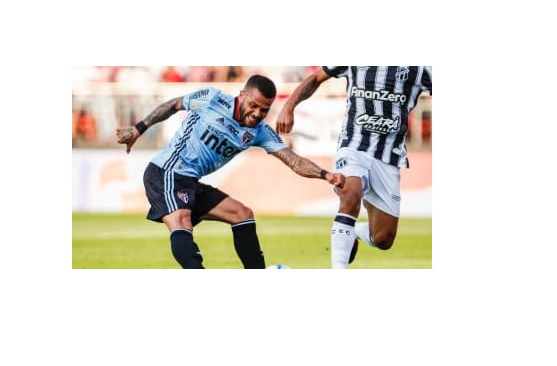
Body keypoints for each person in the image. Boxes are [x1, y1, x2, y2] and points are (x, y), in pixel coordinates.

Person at [116, 74, 345, 269]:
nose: (257, 113)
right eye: (253, 105)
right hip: (167, 170)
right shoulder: (212, 99)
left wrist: (326, 175)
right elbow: (174, 104)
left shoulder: (259, 131)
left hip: (191, 180)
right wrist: (138, 129)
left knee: (242, 214)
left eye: (264, 110)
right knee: (182, 221)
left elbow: (293, 160)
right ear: (242, 95)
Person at [276, 66, 432, 269]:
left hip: (388, 157)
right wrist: (289, 106)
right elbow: (316, 78)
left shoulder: (419, 68)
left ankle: (353, 231)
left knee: (383, 238)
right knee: (350, 194)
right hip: (354, 147)